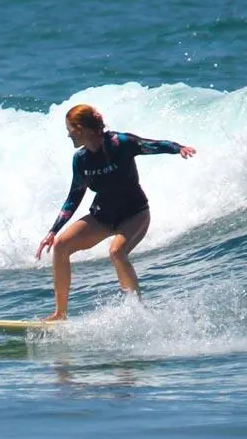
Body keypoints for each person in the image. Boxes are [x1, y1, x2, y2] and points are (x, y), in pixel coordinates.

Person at [35, 103, 196, 320]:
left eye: (70, 130)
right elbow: (74, 196)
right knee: (61, 245)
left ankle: (136, 311)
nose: (68, 135)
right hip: (103, 216)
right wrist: (53, 231)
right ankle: (60, 314)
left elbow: (153, 145)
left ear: (81, 129)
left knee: (116, 251)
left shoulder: (121, 143)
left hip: (134, 213)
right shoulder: (81, 159)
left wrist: (179, 148)